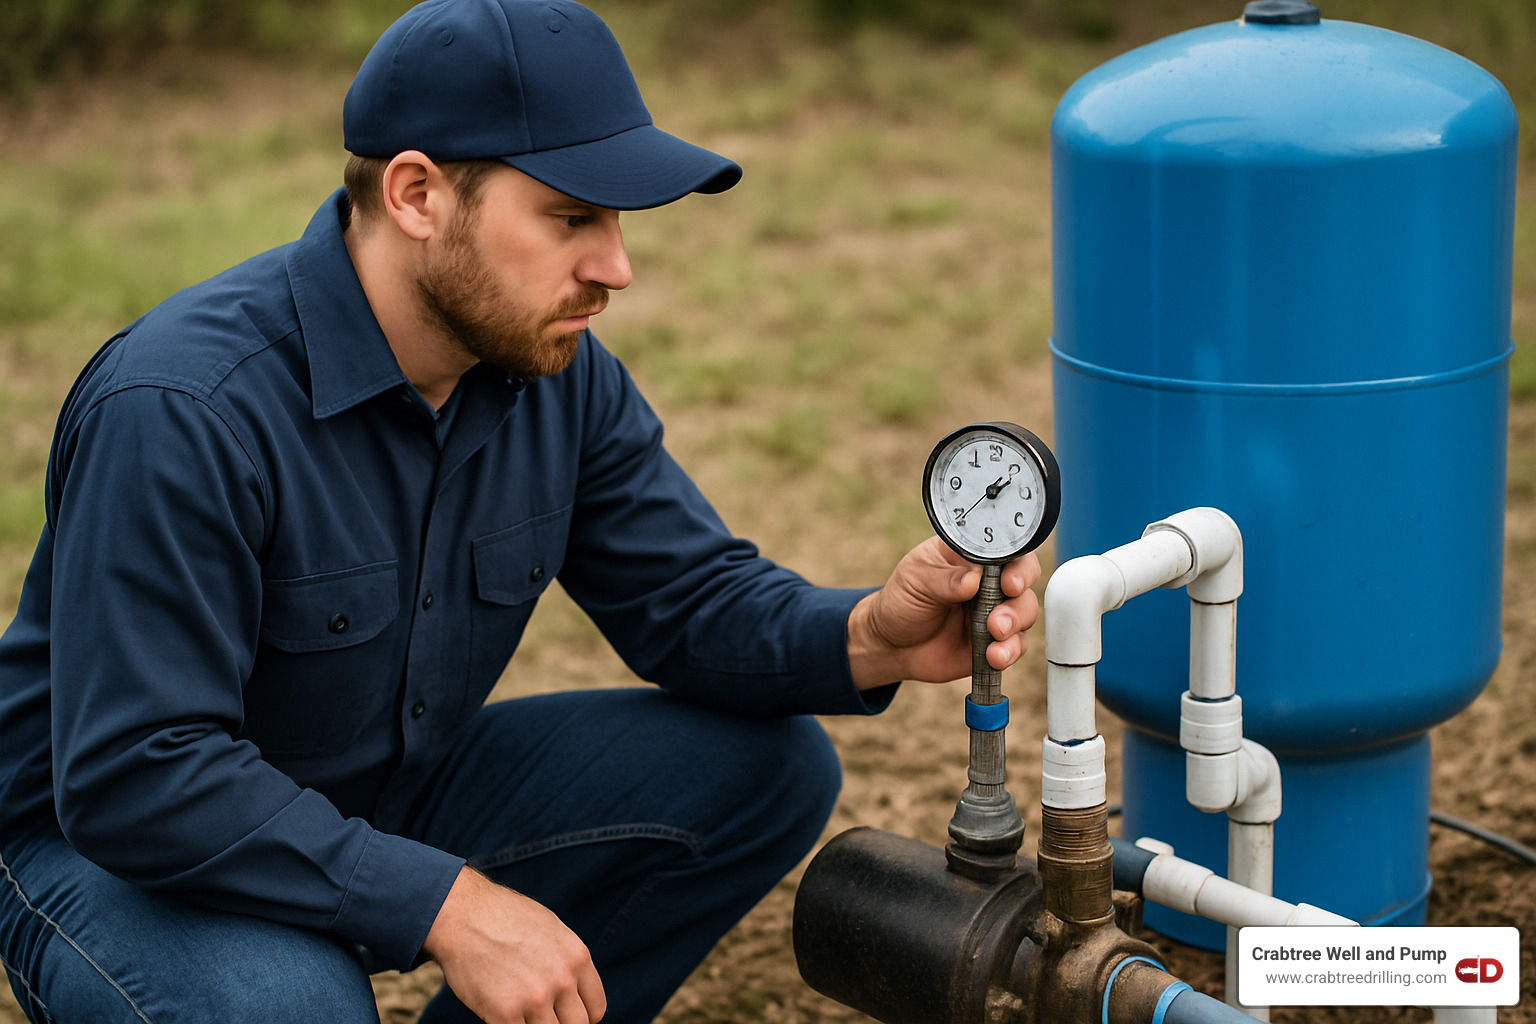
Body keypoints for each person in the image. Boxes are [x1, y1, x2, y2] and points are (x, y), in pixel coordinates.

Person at [0, 1, 1043, 1022]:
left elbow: (687, 598)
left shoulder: (555, 375)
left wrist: (873, 632)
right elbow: (140, 773)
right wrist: (448, 903)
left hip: (378, 788)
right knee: (286, 1005)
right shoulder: (186, 407)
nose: (616, 267)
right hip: (111, 849)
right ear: (416, 194)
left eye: (618, 220)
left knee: (767, 768)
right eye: (571, 215)